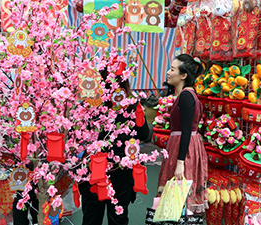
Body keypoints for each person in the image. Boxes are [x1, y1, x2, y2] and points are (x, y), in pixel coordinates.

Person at [79, 67, 150, 225]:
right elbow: (145, 135)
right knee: (118, 217)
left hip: (93, 169)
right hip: (121, 169)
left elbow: (75, 136)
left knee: (91, 218)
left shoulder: (89, 104)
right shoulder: (132, 104)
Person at [157, 54, 208, 214]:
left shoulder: (186, 96)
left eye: (172, 69)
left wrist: (180, 162)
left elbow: (186, 129)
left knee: (179, 190)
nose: (168, 72)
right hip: (184, 145)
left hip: (183, 148)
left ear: (184, 75)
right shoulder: (187, 94)